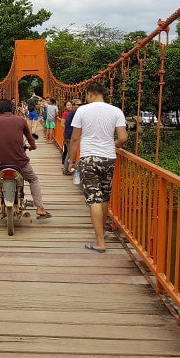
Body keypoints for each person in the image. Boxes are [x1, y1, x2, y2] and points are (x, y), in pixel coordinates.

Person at [68, 82, 128, 253]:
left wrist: (71, 161)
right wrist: (112, 146)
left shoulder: (82, 110)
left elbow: (74, 139)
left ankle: (100, 242)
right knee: (104, 197)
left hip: (89, 159)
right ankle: (103, 233)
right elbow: (123, 138)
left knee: (94, 198)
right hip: (109, 158)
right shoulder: (116, 111)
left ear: (89, 94)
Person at [0, 98, 52, 219]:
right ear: (11, 108)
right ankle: (40, 208)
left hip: (1, 164)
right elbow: (29, 137)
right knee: (33, 180)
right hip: (21, 164)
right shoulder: (21, 120)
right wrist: (33, 146)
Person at [62, 99, 82, 174]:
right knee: (70, 153)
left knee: (69, 153)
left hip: (68, 135)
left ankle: (66, 169)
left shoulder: (71, 113)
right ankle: (66, 170)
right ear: (73, 106)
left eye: (80, 105)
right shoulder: (74, 113)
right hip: (70, 136)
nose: (79, 106)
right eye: (77, 105)